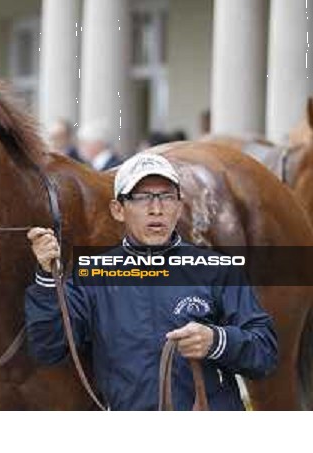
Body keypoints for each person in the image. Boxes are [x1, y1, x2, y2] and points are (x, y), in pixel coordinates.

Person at [24, 152, 278, 410]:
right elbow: (48, 348)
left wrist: (217, 340)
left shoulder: (216, 268)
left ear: (178, 207)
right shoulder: (93, 275)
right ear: (118, 210)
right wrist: (46, 277)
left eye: (166, 197)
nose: (156, 209)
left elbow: (265, 353)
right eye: (143, 198)